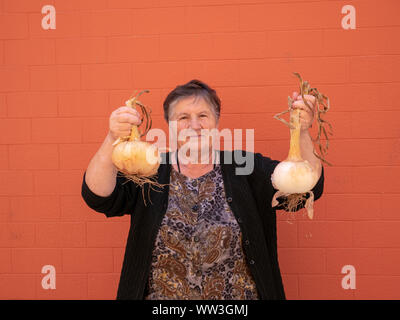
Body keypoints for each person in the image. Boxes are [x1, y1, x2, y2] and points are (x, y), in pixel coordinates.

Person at [81, 79, 324, 300]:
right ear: (169, 125)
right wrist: (112, 137)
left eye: (203, 116)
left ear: (217, 120)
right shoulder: (151, 170)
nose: (194, 125)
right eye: (183, 117)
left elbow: (305, 188)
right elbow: (98, 196)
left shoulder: (244, 167)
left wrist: (302, 130)